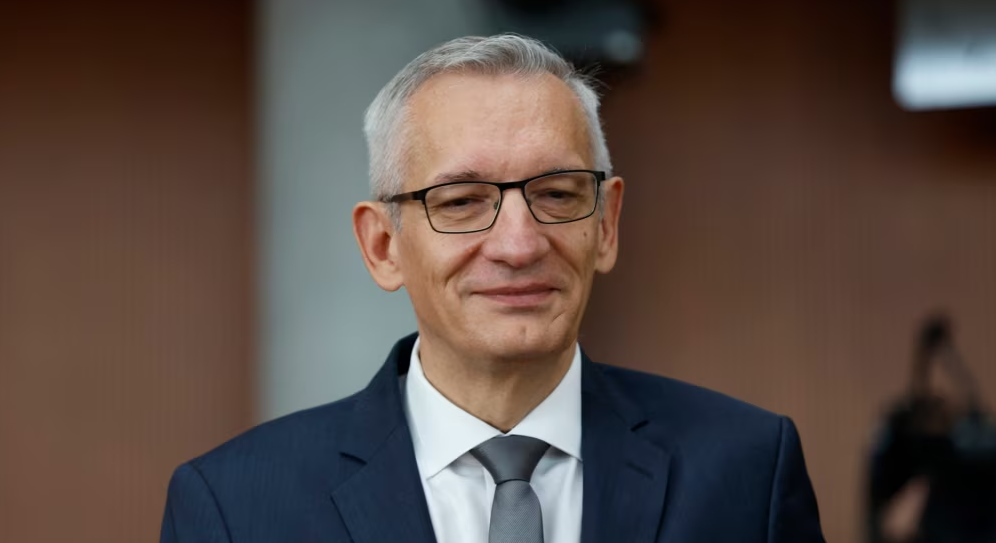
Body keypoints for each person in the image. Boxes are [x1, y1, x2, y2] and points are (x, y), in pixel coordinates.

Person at [160, 34, 825, 543]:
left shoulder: (745, 470)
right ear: (383, 246)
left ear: (606, 225)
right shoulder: (235, 507)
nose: (518, 245)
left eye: (557, 193)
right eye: (461, 201)